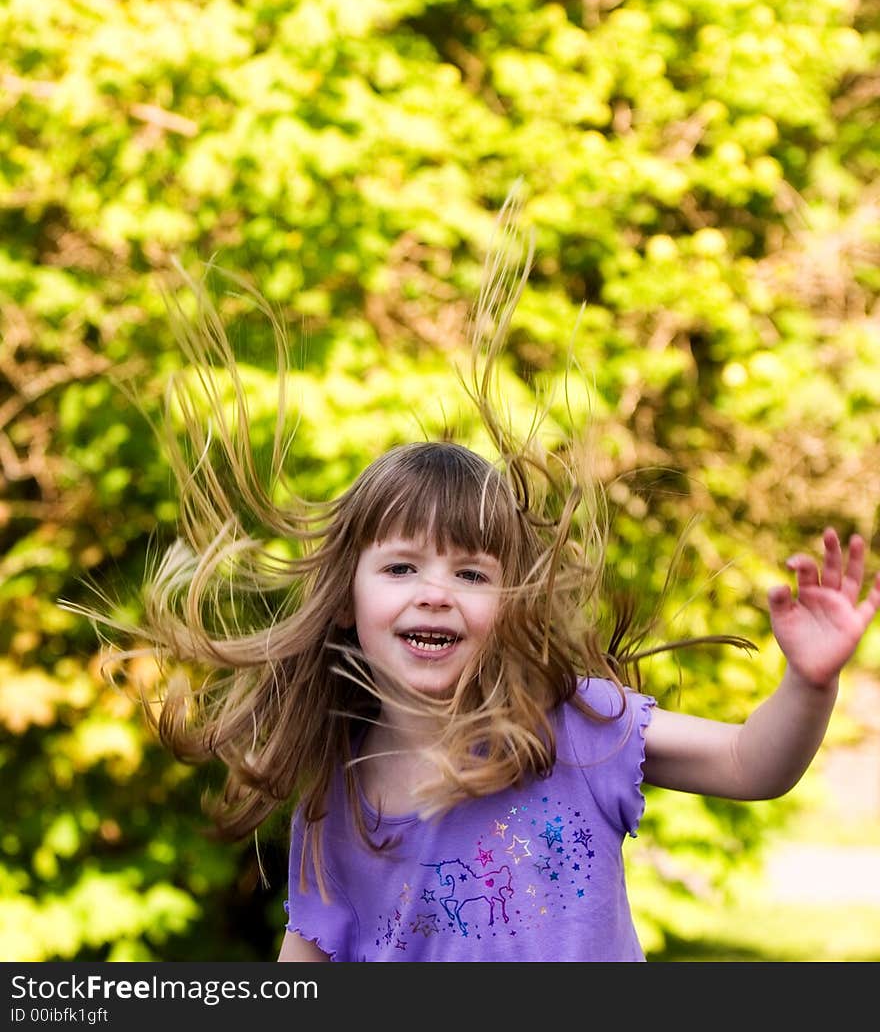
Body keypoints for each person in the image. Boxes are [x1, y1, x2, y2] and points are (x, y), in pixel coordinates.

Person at [110, 195, 880, 963]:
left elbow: (754, 764)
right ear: (347, 602)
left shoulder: (575, 725)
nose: (435, 590)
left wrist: (809, 684)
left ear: (506, 604)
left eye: (471, 571)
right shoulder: (337, 800)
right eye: (403, 567)